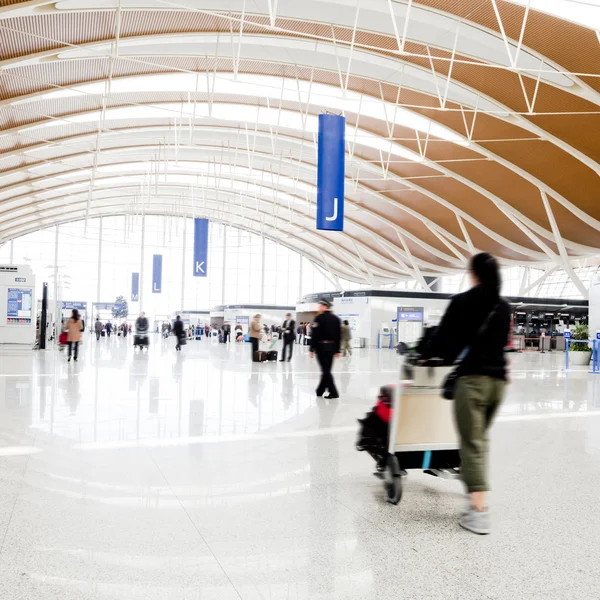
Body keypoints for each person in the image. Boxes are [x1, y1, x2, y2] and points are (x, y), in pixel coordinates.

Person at [422, 253, 510, 535]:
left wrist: (427, 353)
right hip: (499, 384)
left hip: (472, 382)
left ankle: (478, 512)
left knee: (472, 444)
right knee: (479, 440)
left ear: (473, 274)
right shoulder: (503, 306)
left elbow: (444, 344)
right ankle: (473, 481)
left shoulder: (462, 302)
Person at [310, 299, 341, 399]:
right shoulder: (336, 319)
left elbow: (315, 335)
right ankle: (320, 390)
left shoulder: (318, 318)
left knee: (326, 371)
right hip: (332, 348)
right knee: (326, 370)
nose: (319, 308)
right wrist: (337, 350)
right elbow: (338, 336)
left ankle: (334, 392)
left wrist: (311, 349)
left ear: (325, 307)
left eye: (320, 306)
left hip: (321, 348)